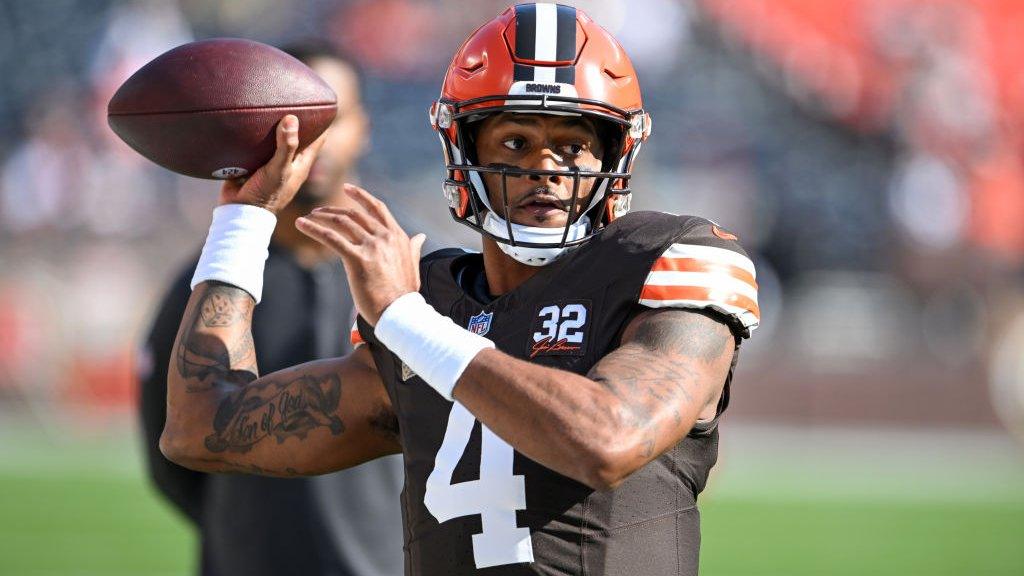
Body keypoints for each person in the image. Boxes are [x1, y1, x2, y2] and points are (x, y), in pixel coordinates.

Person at [160, 5, 759, 575]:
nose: (546, 167)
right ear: (462, 151)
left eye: (573, 145)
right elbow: (201, 429)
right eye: (515, 142)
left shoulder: (665, 264)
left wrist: (404, 318)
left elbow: (608, 440)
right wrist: (245, 221)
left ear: (615, 153)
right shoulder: (436, 299)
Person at [137, 43, 405, 576]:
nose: (313, 142)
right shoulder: (212, 287)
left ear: (364, 127)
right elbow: (171, 450)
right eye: (294, 123)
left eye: (331, 119)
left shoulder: (410, 273)